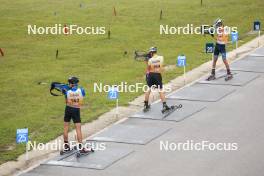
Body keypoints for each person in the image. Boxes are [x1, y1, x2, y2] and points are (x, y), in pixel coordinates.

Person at [54, 76, 91, 154]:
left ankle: (66, 146)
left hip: (68, 109)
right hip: (76, 109)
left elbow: (62, 89)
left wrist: (63, 87)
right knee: (78, 128)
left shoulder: (67, 91)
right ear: (76, 83)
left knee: (65, 127)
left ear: (71, 84)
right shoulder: (81, 90)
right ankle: (81, 148)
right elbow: (82, 95)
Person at [143, 47, 171, 113]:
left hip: (150, 75)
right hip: (157, 75)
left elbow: (148, 69)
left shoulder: (150, 60)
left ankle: (146, 105)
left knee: (149, 89)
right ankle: (164, 105)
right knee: (160, 90)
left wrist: (147, 61)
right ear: (156, 52)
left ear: (151, 53)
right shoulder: (161, 57)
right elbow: (161, 67)